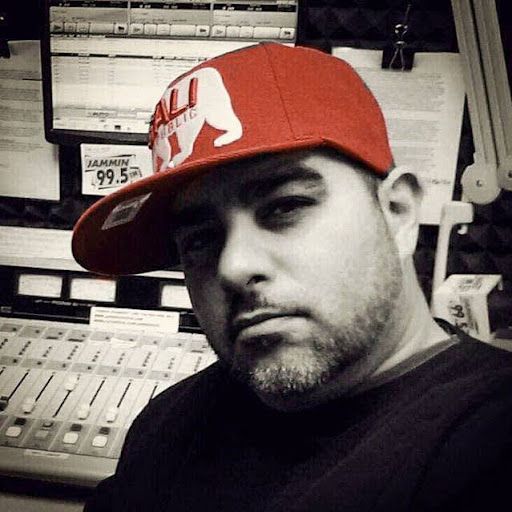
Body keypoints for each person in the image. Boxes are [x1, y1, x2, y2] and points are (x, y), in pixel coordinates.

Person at [73, 43, 512, 511]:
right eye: (200, 240)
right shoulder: (167, 421)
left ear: (398, 213)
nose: (233, 267)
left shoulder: (489, 444)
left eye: (285, 206)